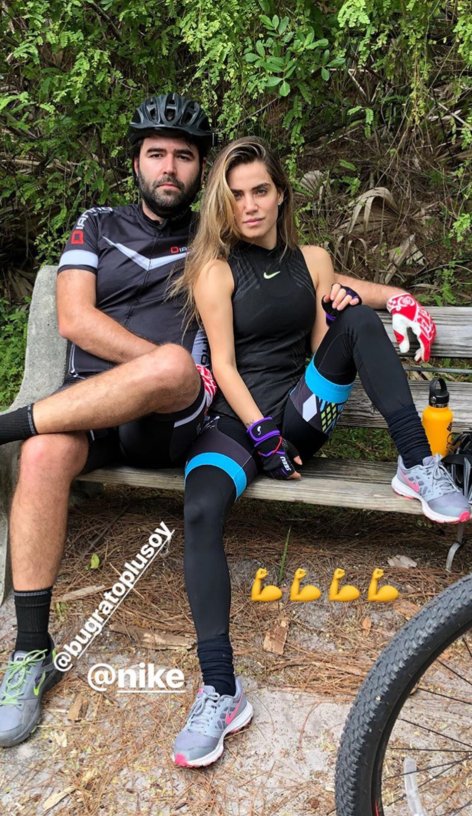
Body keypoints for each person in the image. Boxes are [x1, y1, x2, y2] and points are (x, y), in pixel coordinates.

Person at [171, 136, 470, 768]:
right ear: (224, 203)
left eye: (260, 191)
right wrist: (260, 434)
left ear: (281, 194)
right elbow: (223, 366)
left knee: (356, 319)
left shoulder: (313, 260)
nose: (250, 205)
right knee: (199, 510)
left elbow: (321, 351)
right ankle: (221, 691)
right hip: (239, 424)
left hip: (301, 416)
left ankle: (418, 464)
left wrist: (347, 310)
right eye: (236, 195)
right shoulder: (214, 271)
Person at [0, 93, 218, 748]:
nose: (169, 167)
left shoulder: (214, 235)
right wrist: (145, 363)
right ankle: (30, 653)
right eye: (157, 154)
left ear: (200, 169)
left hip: (168, 414)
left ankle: (6, 424)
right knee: (42, 454)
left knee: (173, 366)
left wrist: (372, 295)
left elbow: (299, 264)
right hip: (87, 404)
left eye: (184, 156)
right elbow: (74, 318)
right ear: (136, 162)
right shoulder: (95, 225)